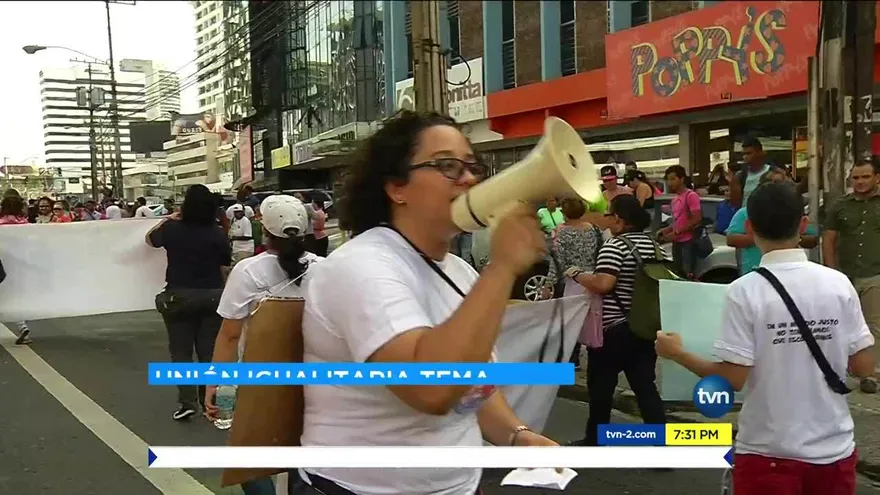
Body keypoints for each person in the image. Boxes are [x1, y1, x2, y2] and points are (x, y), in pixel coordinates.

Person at [298, 110, 558, 495]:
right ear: (396, 188)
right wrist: (502, 268)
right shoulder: (360, 266)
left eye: (472, 166)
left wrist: (516, 436)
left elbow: (470, 385)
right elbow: (432, 389)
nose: (468, 178)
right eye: (447, 166)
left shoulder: (460, 271)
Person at [656, 181, 874, 495]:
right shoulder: (838, 283)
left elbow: (732, 379)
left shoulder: (744, 291)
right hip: (834, 451)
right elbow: (864, 366)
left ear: (749, 227)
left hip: (768, 452)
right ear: (802, 224)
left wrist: (677, 353)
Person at [206, 194, 319, 495]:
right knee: (301, 450)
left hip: (258, 380)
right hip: (314, 379)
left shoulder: (248, 271)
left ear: (264, 228)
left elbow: (230, 335)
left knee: (248, 454)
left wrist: (214, 383)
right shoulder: (325, 268)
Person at [566, 194, 668, 446]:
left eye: (609, 214)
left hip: (613, 328)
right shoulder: (655, 246)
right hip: (645, 327)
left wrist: (578, 274)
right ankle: (660, 441)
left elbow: (603, 284)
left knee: (601, 387)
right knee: (645, 386)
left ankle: (595, 439)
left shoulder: (615, 246)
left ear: (620, 220)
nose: (606, 219)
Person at [145, 184, 232, 421]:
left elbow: (150, 240)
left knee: (181, 352)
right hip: (212, 296)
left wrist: (167, 219)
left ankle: (187, 402)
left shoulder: (172, 228)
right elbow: (225, 264)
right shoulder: (216, 232)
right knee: (209, 352)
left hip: (179, 296)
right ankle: (209, 402)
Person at [823, 157, 880, 394]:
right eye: (856, 177)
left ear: (877, 178)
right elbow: (829, 239)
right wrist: (831, 272)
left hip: (874, 273)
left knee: (874, 324)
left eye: (866, 176)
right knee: (840, 324)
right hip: (844, 275)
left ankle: (871, 374)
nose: (860, 181)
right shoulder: (840, 206)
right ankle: (840, 369)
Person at [542, 198, 602, 371]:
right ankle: (595, 356)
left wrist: (548, 284)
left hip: (573, 280)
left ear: (565, 213)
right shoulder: (594, 229)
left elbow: (557, 261)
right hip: (593, 279)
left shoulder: (563, 233)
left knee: (571, 321)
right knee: (593, 319)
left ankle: (572, 359)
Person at [727, 168, 818, 276]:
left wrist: (792, 236)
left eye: (780, 184)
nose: (775, 189)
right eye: (771, 183)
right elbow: (731, 239)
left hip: (795, 272)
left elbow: (813, 240)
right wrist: (764, 235)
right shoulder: (746, 212)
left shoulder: (794, 210)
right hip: (753, 271)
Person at [0, 193, 33, 344]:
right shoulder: (25, 225)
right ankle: (22, 326)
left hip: (3, 265)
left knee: (5, 298)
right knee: (15, 298)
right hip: (21, 267)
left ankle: (22, 326)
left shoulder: (1, 224)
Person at [659, 165, 703, 279]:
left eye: (673, 179)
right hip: (676, 242)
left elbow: (696, 218)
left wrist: (677, 232)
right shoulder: (675, 199)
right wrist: (667, 230)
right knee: (677, 274)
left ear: (682, 179)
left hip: (688, 242)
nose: (670, 183)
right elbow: (677, 221)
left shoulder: (691, 196)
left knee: (687, 275)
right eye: (668, 180)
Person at [730, 137, 777, 209]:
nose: (745, 157)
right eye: (744, 154)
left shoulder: (774, 173)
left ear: (760, 153)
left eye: (749, 153)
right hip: (746, 215)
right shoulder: (740, 176)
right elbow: (735, 204)